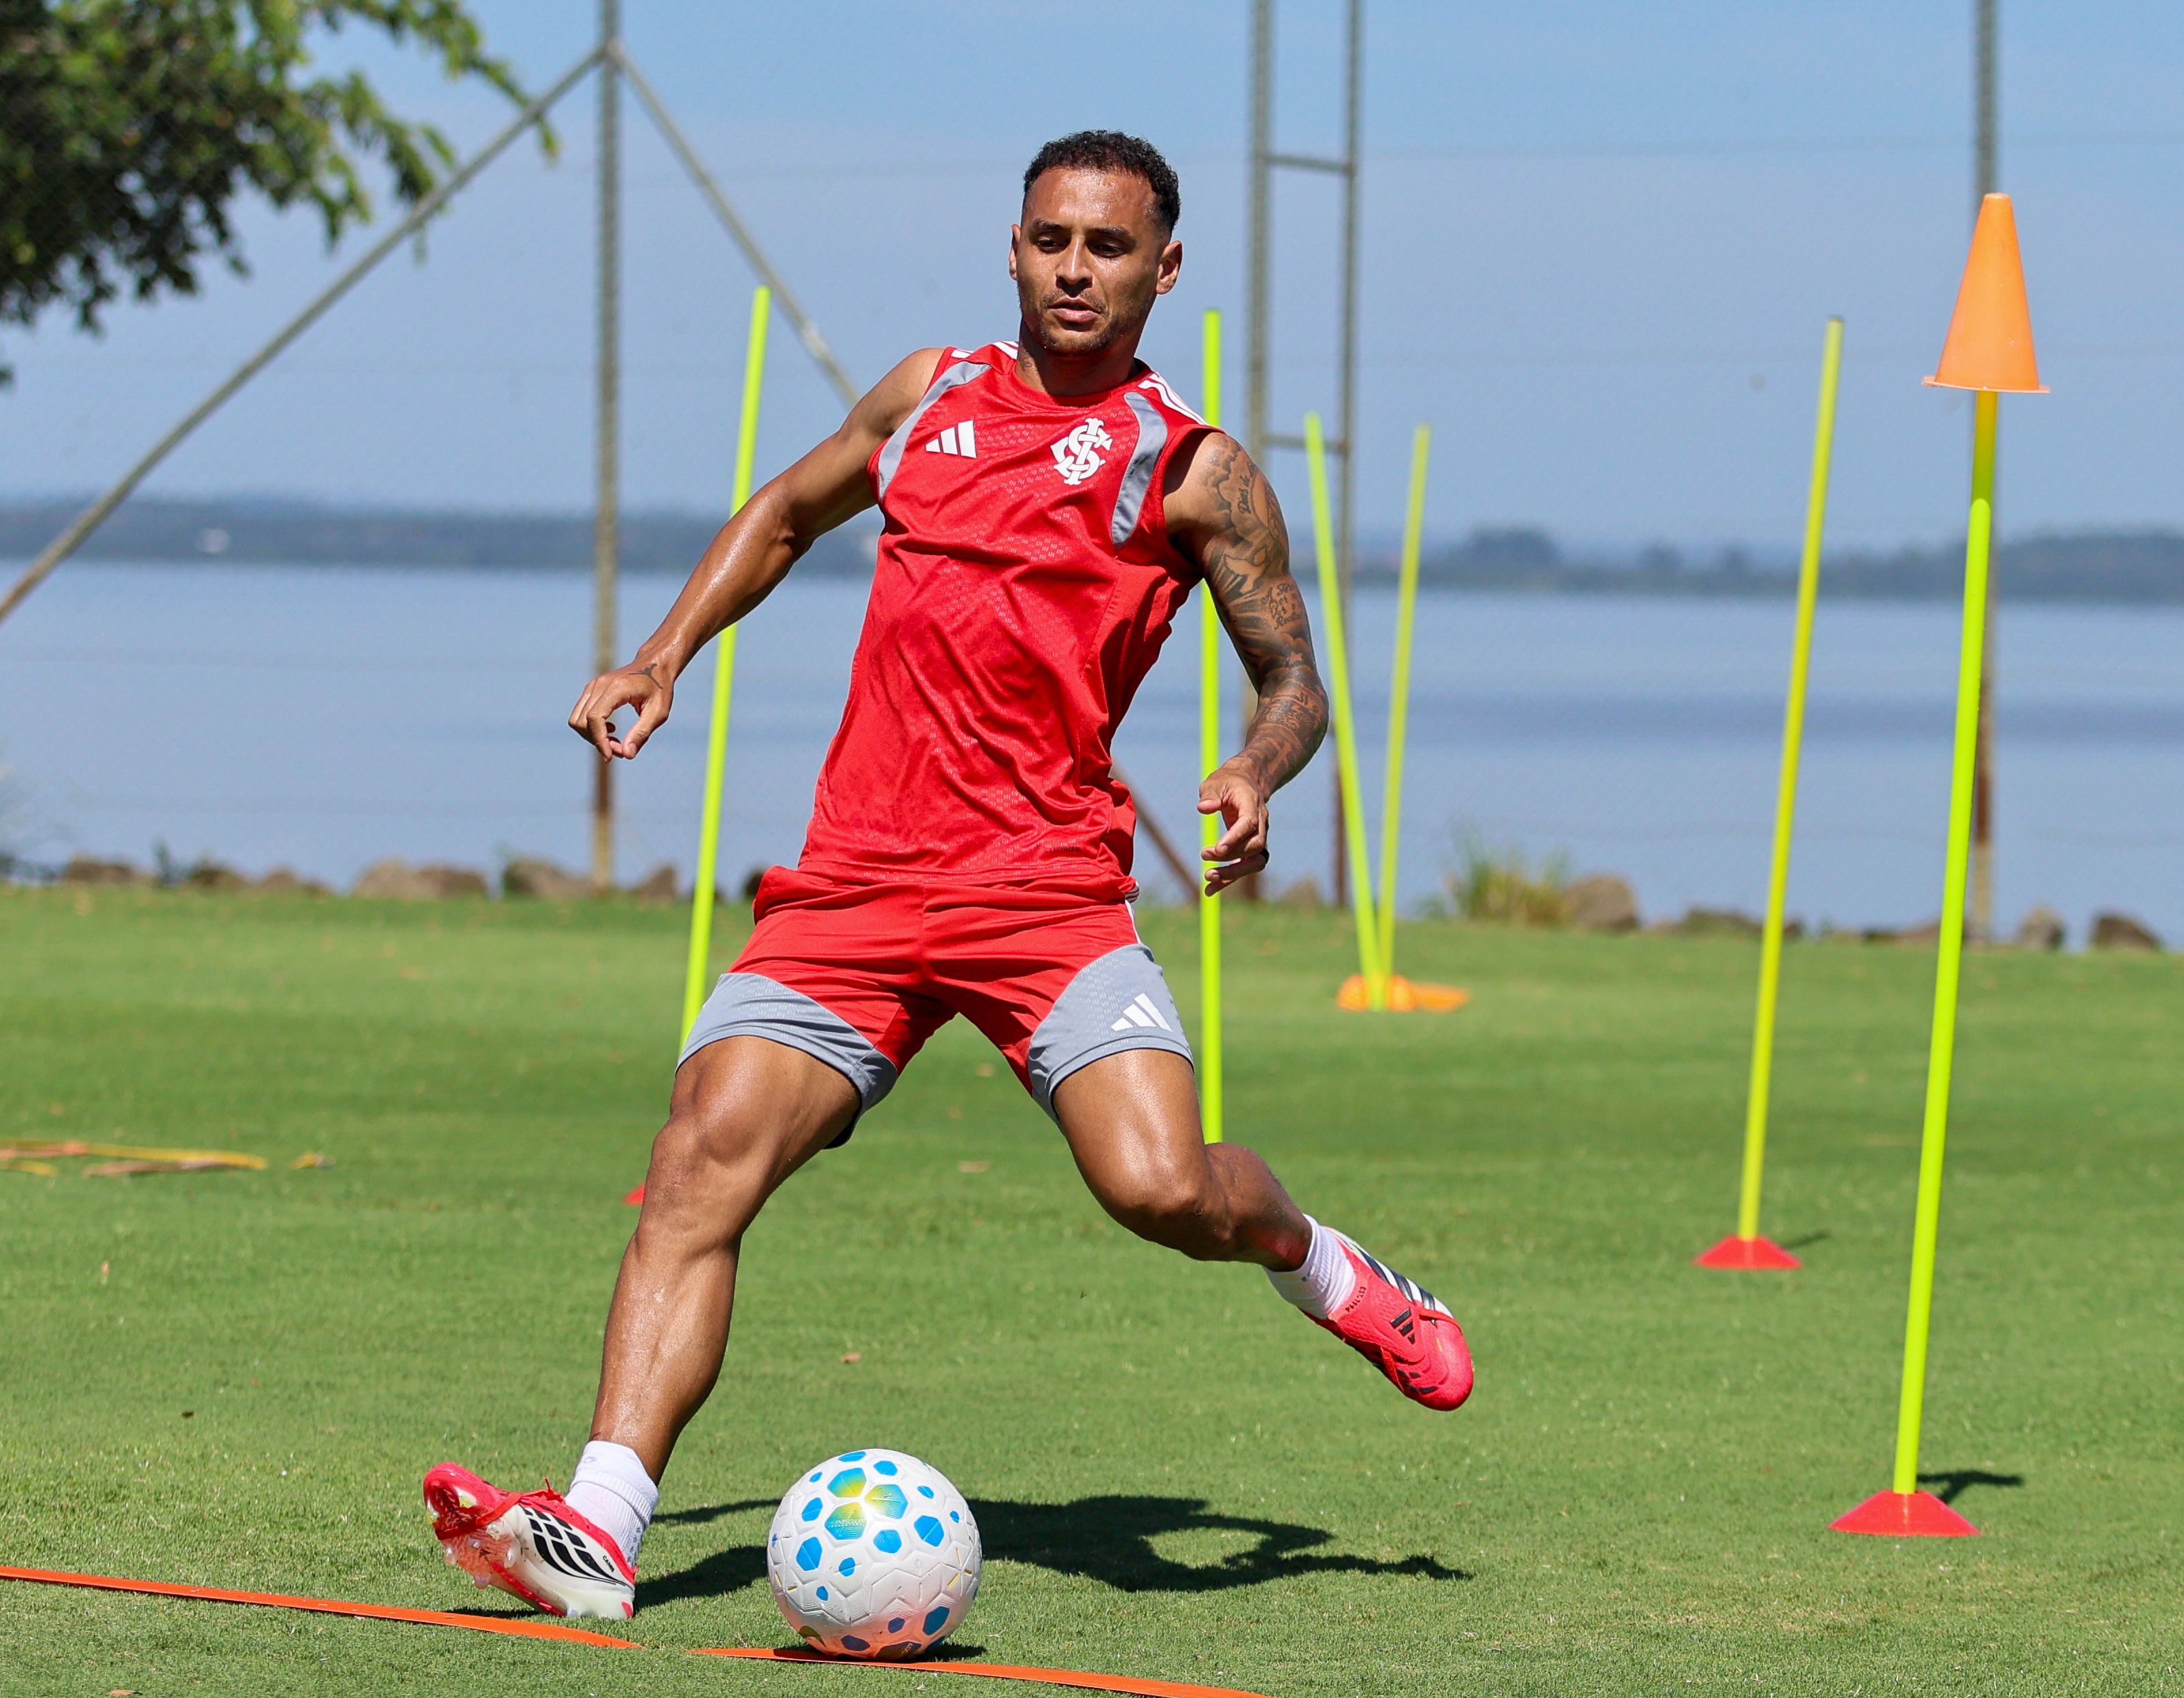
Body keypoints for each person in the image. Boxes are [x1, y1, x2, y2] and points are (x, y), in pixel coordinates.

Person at [421, 131, 1471, 1621]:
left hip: (1045, 893)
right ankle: (600, 1528)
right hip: (855, 886)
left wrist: (1252, 771)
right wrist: (659, 656)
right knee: (699, 1155)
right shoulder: (929, 398)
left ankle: (1324, 1263)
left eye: (1110, 248)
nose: (1077, 270)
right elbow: (785, 513)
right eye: (1052, 239)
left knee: (1162, 1188)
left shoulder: (1195, 473)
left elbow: (1296, 680)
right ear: (1015, 247)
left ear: (1164, 269)